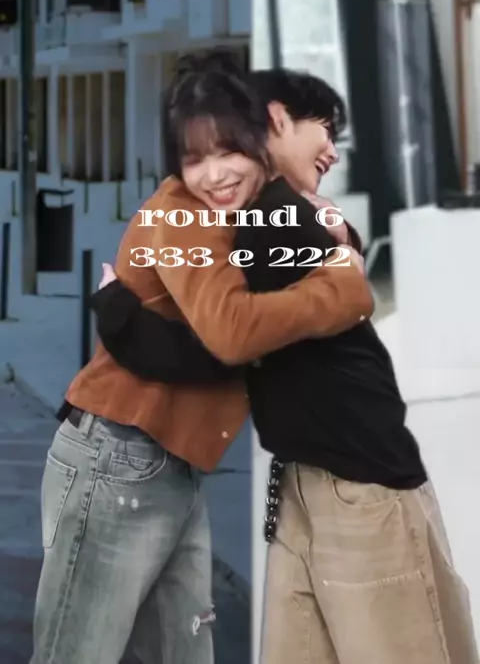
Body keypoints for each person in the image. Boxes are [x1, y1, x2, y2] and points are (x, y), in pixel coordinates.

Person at [92, 65, 479, 664]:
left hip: (356, 483)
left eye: (227, 150)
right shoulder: (272, 216)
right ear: (276, 120)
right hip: (317, 483)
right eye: (325, 128)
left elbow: (222, 345)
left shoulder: (272, 220)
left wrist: (118, 313)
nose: (333, 149)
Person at [30, 55, 372, 664]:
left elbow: (323, 256)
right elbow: (231, 339)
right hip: (120, 454)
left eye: (229, 148)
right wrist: (338, 289)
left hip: (172, 466)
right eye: (195, 156)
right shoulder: (185, 213)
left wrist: (338, 243)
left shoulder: (255, 210)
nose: (214, 172)